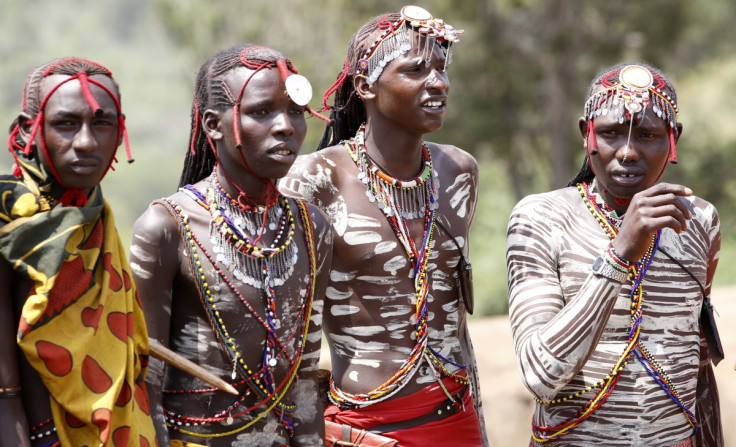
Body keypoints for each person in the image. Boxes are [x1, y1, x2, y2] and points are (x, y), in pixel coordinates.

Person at [280, 6, 488, 446]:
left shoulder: (458, 171)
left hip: (455, 417)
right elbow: (293, 332)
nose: (438, 83)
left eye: (441, 69)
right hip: (362, 426)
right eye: (416, 70)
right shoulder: (316, 180)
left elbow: (455, 318)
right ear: (365, 85)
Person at [506, 62, 723, 446]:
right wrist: (621, 252)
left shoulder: (699, 219)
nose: (627, 152)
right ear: (584, 133)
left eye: (647, 135)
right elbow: (540, 376)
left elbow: (699, 363)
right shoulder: (541, 217)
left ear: (674, 137)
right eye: (609, 133)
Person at [130, 44, 333, 447]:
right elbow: (144, 378)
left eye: (295, 111)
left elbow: (305, 379)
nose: (286, 126)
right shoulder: (167, 227)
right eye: (261, 112)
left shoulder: (313, 227)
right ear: (213, 124)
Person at [0, 58, 157, 446]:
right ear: (28, 130)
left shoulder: (96, 217)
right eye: (66, 123)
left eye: (102, 124)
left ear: (120, 134)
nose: (86, 142)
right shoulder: (8, 222)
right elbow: (4, 395)